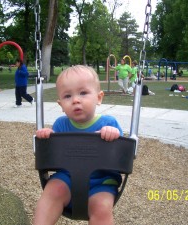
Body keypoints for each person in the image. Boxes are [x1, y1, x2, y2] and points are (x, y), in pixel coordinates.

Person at [33, 65, 123, 225]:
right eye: (67, 96)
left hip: (101, 181)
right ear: (60, 105)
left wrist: (113, 134)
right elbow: (53, 155)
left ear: (99, 98)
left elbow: (121, 155)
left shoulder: (109, 123)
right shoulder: (60, 125)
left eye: (83, 93)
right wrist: (47, 137)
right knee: (52, 191)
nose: (75, 100)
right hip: (67, 177)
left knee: (101, 208)